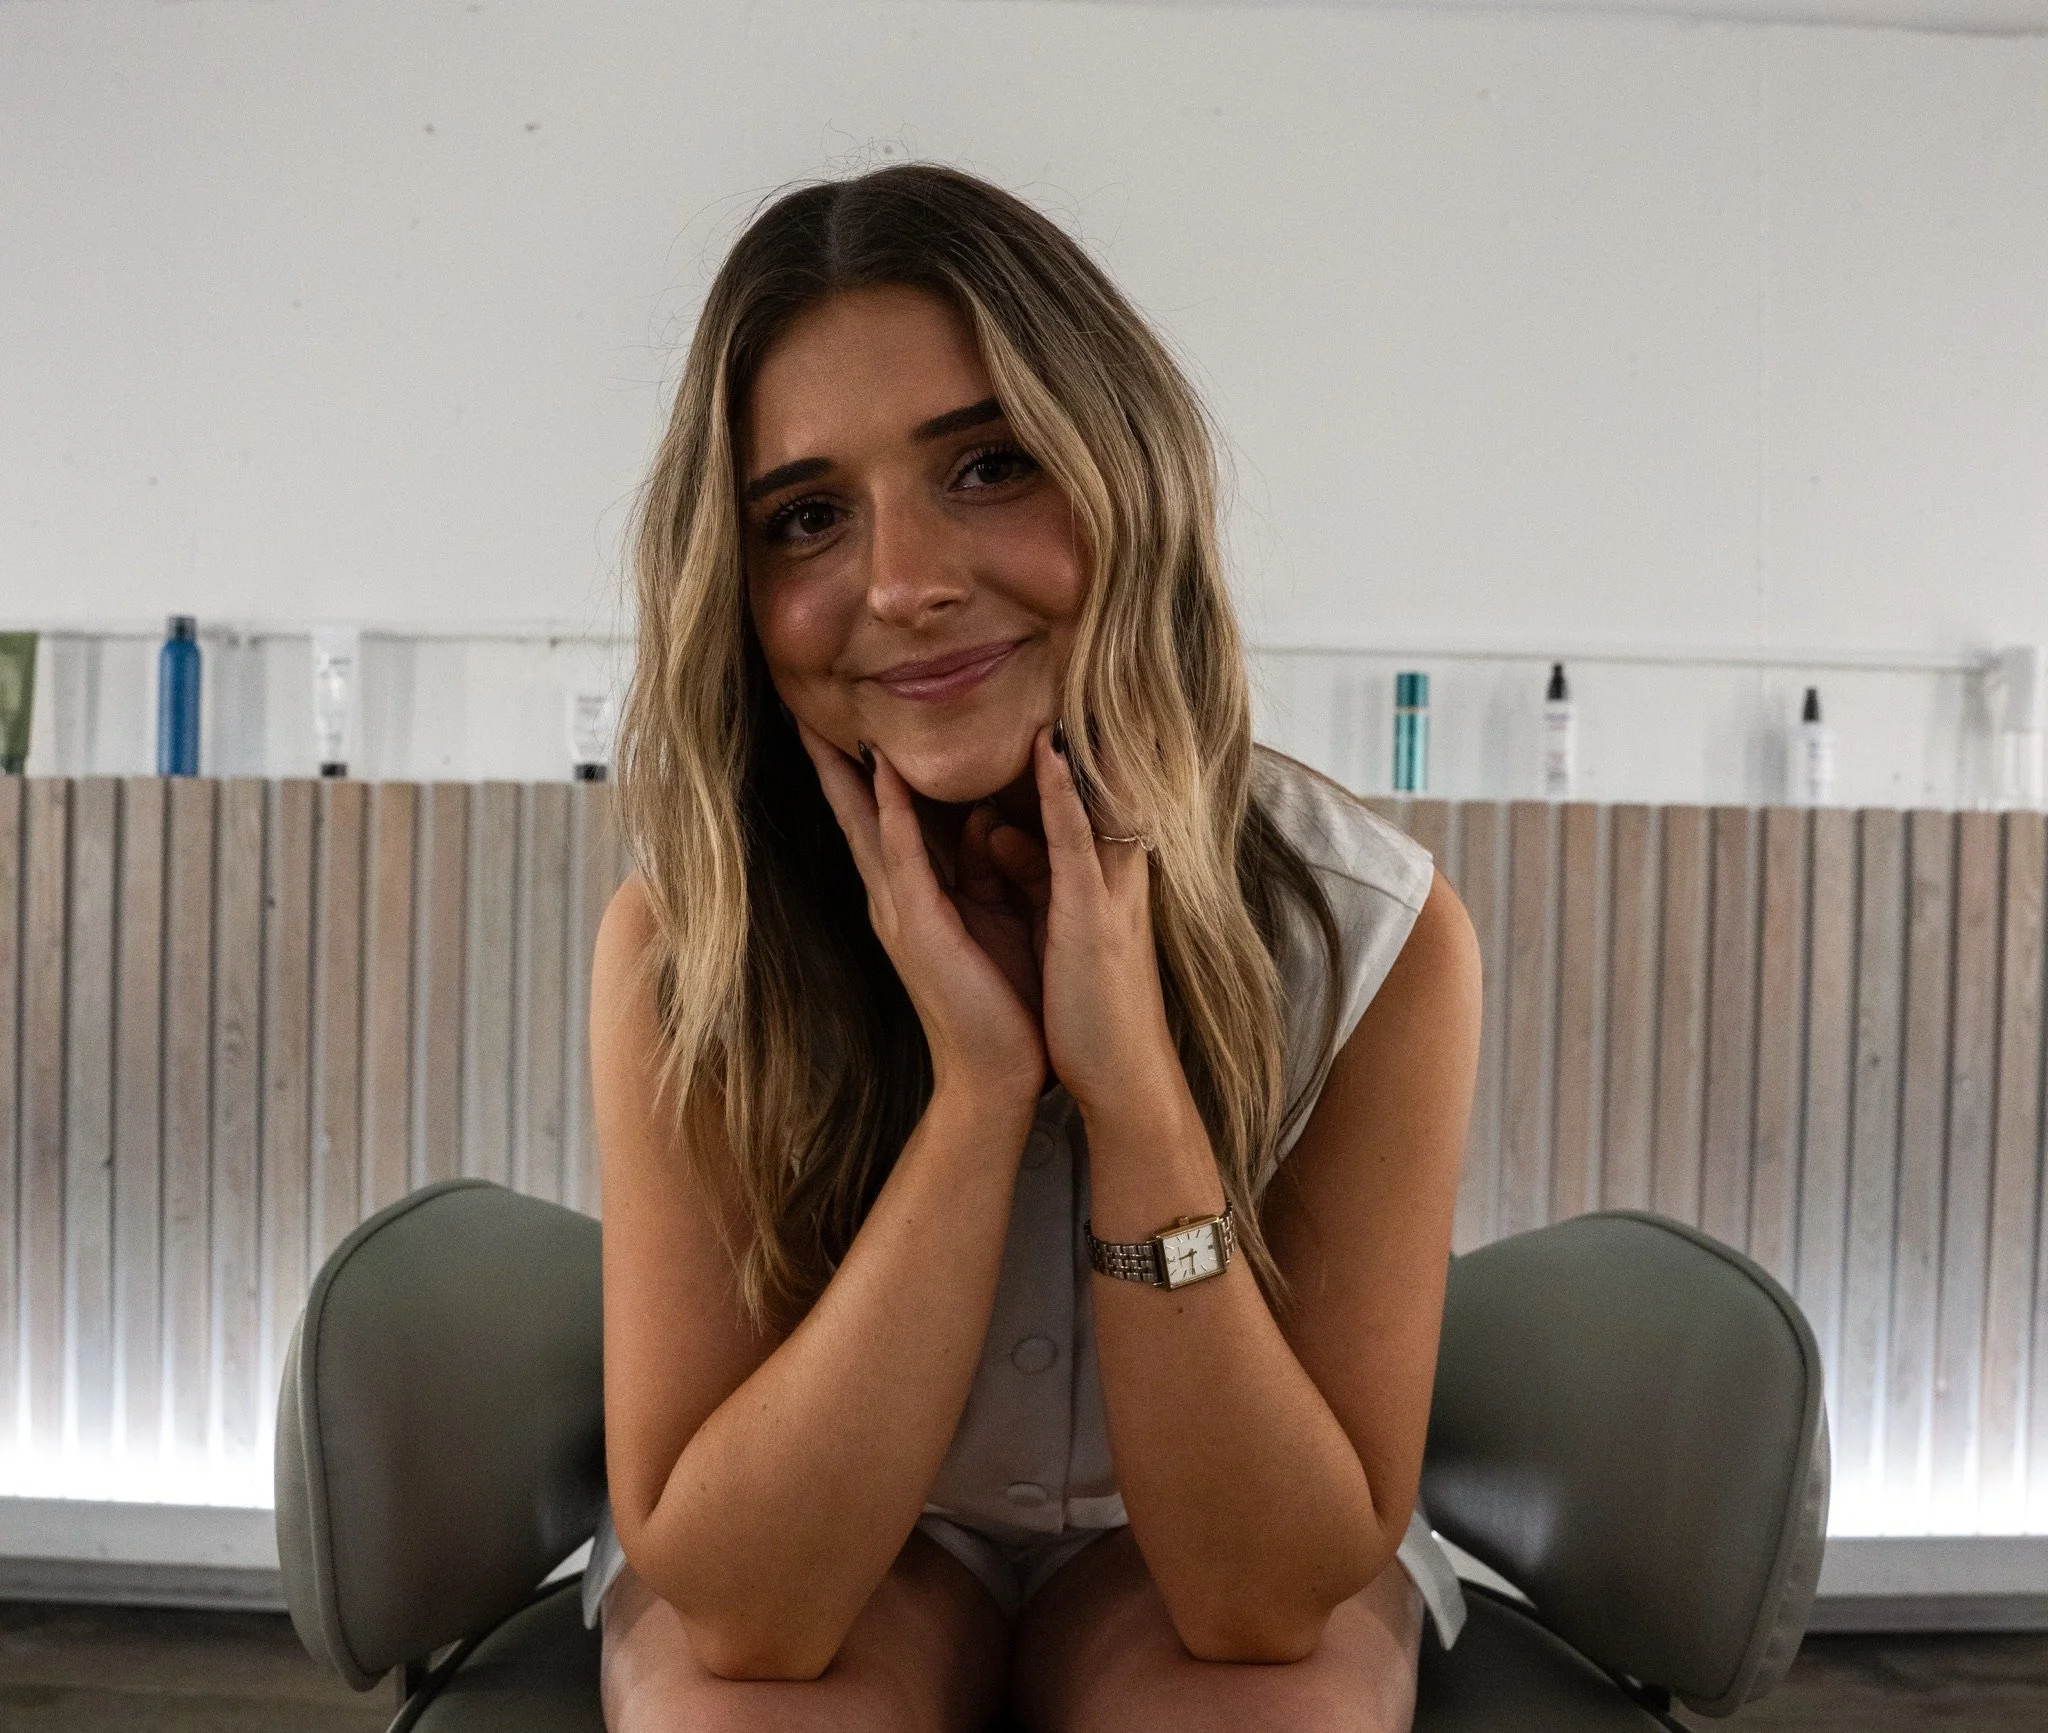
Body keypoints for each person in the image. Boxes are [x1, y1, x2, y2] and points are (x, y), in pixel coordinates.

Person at [582, 163, 1482, 1733]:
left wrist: (1133, 1094)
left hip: (1180, 1545)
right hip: (847, 1530)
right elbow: (753, 1613)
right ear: (736, 585)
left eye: (989, 466)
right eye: (807, 517)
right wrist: (981, 1094)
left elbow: (1261, 1599)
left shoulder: (1370, 929)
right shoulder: (689, 942)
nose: (906, 582)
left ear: (1121, 471)